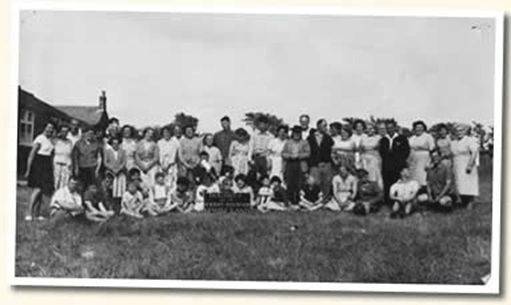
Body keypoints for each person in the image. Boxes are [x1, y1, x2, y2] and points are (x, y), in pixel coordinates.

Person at [24, 122, 56, 221]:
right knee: (37, 189)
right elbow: (31, 155)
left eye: (52, 128)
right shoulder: (39, 138)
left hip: (47, 164)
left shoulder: (50, 140)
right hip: (38, 164)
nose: (50, 130)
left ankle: (37, 214)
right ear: (44, 128)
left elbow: (51, 155)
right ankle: (29, 213)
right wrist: (28, 170)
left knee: (42, 191)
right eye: (48, 128)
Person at [379, 121, 411, 205]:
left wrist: (399, 162)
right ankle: (387, 201)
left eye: (391, 128)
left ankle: (397, 201)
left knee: (397, 184)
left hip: (398, 166)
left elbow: (406, 152)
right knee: (387, 184)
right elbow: (381, 152)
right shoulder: (383, 139)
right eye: (388, 128)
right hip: (386, 166)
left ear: (395, 128)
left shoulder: (402, 139)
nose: (390, 130)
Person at [450, 123, 480, 208]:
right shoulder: (454, 142)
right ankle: (463, 202)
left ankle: (470, 203)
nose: (458, 132)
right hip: (457, 164)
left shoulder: (470, 140)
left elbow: (474, 153)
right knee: (460, 185)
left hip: (466, 163)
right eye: (457, 131)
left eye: (461, 130)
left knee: (468, 184)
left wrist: (470, 165)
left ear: (465, 131)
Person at [282, 125, 311, 207]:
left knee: (300, 183)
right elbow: (283, 153)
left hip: (300, 163)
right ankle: (290, 200)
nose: (296, 135)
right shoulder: (288, 142)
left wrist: (298, 156)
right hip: (290, 163)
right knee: (290, 182)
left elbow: (308, 153)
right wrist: (290, 156)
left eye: (298, 133)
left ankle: (299, 201)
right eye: (295, 133)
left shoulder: (304, 142)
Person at [307, 119, 335, 203]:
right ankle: (315, 199)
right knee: (315, 182)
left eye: (326, 125)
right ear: (318, 126)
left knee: (326, 182)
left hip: (326, 163)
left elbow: (331, 151)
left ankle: (325, 199)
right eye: (324, 125)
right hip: (314, 164)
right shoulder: (310, 138)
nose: (326, 127)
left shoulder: (328, 138)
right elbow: (308, 151)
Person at [408, 120, 436, 188]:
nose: (419, 129)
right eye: (417, 127)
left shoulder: (428, 137)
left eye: (421, 127)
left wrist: (433, 162)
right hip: (413, 160)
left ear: (424, 128)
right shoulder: (412, 138)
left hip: (424, 160)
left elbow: (433, 150)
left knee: (423, 178)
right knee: (414, 178)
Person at [359, 123, 383, 189]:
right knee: (365, 175)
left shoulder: (378, 137)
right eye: (368, 128)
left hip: (374, 158)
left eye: (371, 128)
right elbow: (360, 148)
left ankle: (376, 189)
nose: (369, 130)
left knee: (373, 175)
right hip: (364, 159)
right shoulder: (363, 137)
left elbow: (379, 148)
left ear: (374, 129)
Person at [103, 137, 127, 203]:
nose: (115, 145)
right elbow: (106, 162)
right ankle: (112, 201)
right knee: (111, 186)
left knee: (121, 184)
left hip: (120, 171)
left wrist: (119, 169)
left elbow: (124, 162)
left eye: (117, 143)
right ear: (111, 144)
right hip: (111, 171)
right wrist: (113, 169)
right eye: (114, 143)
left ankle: (120, 200)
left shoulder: (123, 151)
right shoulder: (108, 151)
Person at [157, 126, 180, 191]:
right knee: (162, 181)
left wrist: (168, 165)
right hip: (161, 165)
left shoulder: (175, 142)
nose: (166, 134)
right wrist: (162, 165)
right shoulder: (159, 142)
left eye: (168, 132)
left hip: (171, 165)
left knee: (171, 182)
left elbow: (175, 154)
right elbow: (158, 154)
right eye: (165, 132)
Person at [53, 125, 73, 191]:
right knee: (56, 181)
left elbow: (71, 154)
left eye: (66, 132)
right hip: (57, 163)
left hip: (66, 164)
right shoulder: (56, 141)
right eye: (63, 131)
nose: (64, 133)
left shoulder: (69, 142)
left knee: (65, 182)